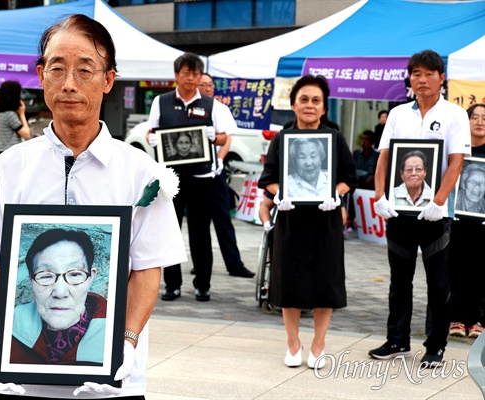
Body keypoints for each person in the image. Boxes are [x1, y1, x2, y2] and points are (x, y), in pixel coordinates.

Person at [0, 14, 186, 399]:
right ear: (40, 75)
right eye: (58, 69)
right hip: (22, 381)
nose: (69, 84)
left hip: (112, 381)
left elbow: (148, 272)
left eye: (85, 70)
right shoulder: (7, 169)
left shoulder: (141, 173)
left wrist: (127, 343)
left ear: (109, 79)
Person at [369, 50, 471, 368]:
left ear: (442, 78)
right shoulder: (398, 113)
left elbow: (456, 163)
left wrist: (439, 201)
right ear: (409, 79)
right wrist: (379, 195)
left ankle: (436, 345)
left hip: (434, 214)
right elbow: (384, 156)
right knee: (399, 280)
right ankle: (397, 339)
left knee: (438, 283)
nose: (422, 79)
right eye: (416, 73)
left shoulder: (455, 115)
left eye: (429, 73)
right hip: (400, 211)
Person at [258, 74, 357, 369]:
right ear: (293, 104)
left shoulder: (335, 139)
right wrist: (279, 195)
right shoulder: (281, 140)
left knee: (324, 283)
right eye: (304, 99)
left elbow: (348, 178)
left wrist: (335, 195)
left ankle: (318, 342)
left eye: (316, 100)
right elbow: (269, 179)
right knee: (290, 283)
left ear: (324, 107)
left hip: (325, 222)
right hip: (291, 221)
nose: (310, 105)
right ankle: (293, 342)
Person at [146, 52, 228, 302]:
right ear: (176, 75)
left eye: (195, 73)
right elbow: (151, 131)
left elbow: (224, 137)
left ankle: (203, 284)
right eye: (186, 73)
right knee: (170, 231)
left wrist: (215, 136)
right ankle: (172, 285)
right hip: (171, 179)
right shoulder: (161, 101)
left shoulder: (210, 105)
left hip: (202, 178)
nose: (191, 78)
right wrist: (151, 138)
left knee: (201, 233)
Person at [11, 229, 107, 365]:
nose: (60, 293)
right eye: (45, 276)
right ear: (31, 280)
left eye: (75, 274)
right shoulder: (11, 325)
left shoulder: (114, 330)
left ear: (91, 277)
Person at [197, 72, 254, 278]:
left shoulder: (219, 108)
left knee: (223, 220)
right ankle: (200, 264)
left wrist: (220, 160)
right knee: (199, 224)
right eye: (203, 85)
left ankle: (234, 264)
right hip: (195, 175)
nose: (207, 88)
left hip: (215, 172)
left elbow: (226, 138)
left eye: (210, 85)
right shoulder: (190, 107)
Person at [448, 103, 485, 339]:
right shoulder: (457, 149)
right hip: (457, 221)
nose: (480, 122)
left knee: (482, 271)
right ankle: (458, 319)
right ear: (466, 121)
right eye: (475, 117)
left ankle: (479, 320)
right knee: (456, 269)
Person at [0, 80, 31, 153]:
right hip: (10, 152)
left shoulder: (2, 112)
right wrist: (22, 114)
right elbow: (27, 135)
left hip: (4, 151)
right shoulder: (10, 115)